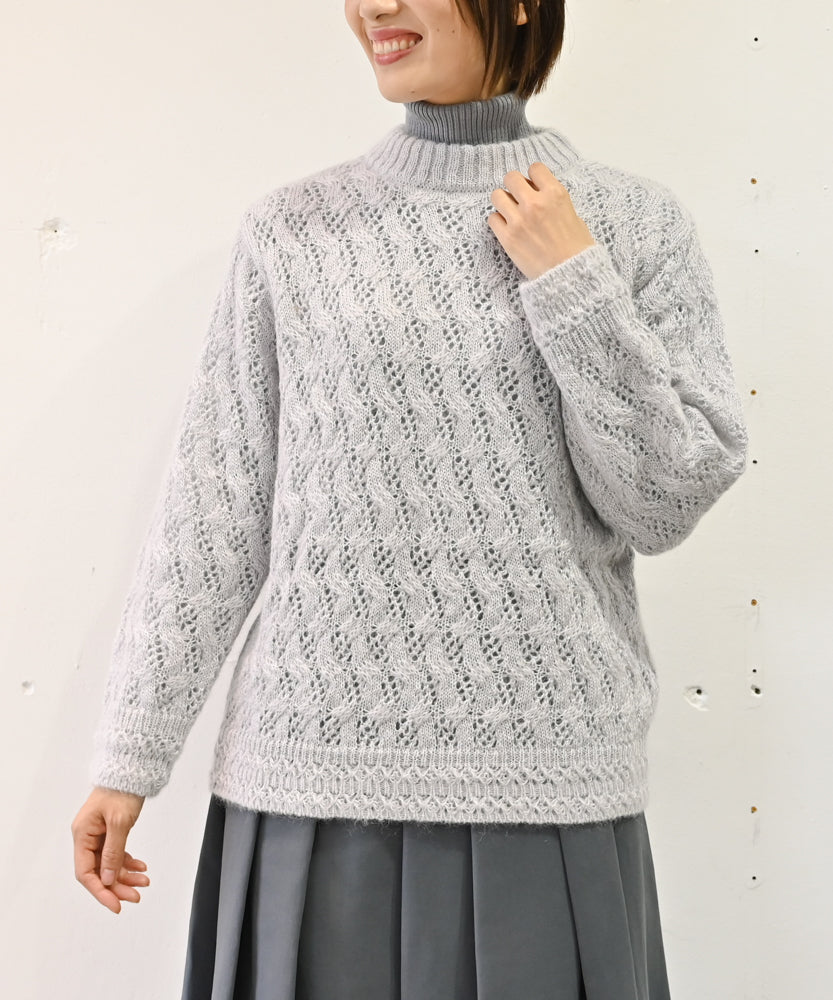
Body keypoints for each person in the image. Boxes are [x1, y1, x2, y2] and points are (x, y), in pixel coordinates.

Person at [71, 1, 748, 997]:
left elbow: (662, 499)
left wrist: (571, 278)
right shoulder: (292, 231)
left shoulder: (631, 223)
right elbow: (214, 508)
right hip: (310, 783)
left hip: (546, 788)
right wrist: (129, 755)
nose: (373, 8)